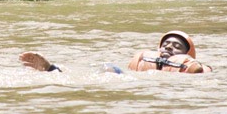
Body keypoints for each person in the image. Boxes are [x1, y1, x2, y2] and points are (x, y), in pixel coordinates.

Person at [20, 29, 212, 74]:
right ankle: (52, 69)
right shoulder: (145, 62)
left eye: (176, 46)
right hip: (131, 79)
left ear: (187, 55)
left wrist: (196, 69)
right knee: (108, 69)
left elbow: (206, 71)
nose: (169, 47)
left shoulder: (192, 67)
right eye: (165, 44)